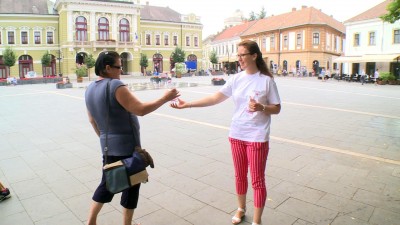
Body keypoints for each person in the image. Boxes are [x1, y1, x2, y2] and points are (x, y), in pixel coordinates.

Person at [170, 40, 281, 225]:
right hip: (237, 134)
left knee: (257, 180)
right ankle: (241, 208)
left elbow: (276, 108)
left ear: (254, 56)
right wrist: (188, 104)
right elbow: (216, 97)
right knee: (239, 175)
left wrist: (261, 107)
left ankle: (257, 220)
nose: (239, 59)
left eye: (242, 55)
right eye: (238, 55)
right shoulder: (236, 79)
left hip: (257, 137)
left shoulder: (266, 80)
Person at [85, 51, 180, 225]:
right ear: (107, 68)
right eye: (118, 67)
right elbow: (140, 109)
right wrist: (165, 98)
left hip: (108, 147)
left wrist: (104, 139)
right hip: (127, 147)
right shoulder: (115, 85)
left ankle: (91, 221)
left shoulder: (90, 88)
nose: (121, 70)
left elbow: (92, 120)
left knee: (108, 182)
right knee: (131, 185)